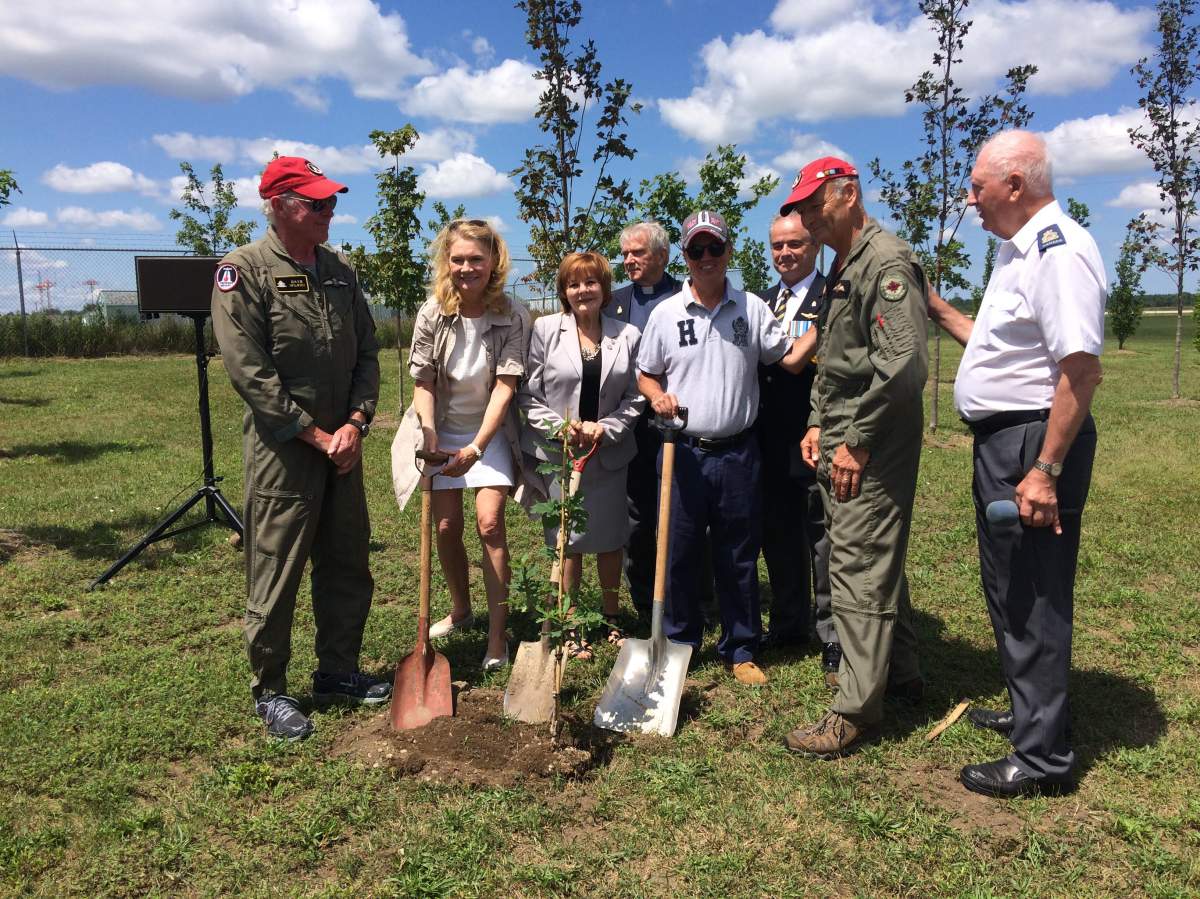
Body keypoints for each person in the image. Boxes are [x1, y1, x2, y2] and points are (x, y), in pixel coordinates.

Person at [927, 130, 1104, 798]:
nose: (969, 197)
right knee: (1009, 586)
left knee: (1034, 593)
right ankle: (1030, 711)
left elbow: (1080, 371)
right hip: (1007, 440)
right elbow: (1003, 348)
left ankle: (1042, 760)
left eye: (976, 185)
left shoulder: (1059, 252)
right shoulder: (1017, 253)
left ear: (1015, 184)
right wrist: (937, 306)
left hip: (1032, 444)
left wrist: (1046, 470)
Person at [211, 155, 386, 742]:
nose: (328, 210)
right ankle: (271, 691)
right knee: (277, 569)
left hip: (344, 447)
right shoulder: (244, 271)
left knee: (346, 562)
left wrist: (357, 423)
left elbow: (367, 353)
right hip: (285, 450)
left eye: (330, 201)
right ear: (279, 206)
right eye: (315, 202)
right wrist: (314, 434)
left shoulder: (340, 270)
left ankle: (338, 670)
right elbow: (250, 371)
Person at [778, 157, 928, 757]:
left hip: (872, 435)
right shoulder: (845, 263)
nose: (808, 218)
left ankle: (854, 709)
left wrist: (856, 441)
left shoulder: (886, 262)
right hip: (842, 426)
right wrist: (818, 423)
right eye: (802, 209)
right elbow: (836, 361)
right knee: (868, 549)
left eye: (816, 205)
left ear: (849, 195)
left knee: (856, 562)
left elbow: (901, 368)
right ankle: (904, 669)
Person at [637, 210, 816, 686]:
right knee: (677, 553)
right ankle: (678, 642)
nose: (706, 258)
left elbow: (791, 359)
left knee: (738, 553)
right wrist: (657, 397)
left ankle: (741, 647)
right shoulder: (665, 314)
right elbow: (647, 372)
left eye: (715, 248)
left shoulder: (752, 308)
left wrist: (833, 315)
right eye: (696, 249)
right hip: (683, 454)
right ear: (685, 256)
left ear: (728, 252)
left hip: (740, 454)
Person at [392, 219, 531, 671]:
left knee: (489, 523)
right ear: (445, 262)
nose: (466, 267)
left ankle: (497, 634)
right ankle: (461, 610)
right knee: (447, 528)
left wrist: (475, 447)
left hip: (488, 433)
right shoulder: (432, 312)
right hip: (441, 430)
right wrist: (430, 435)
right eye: (458, 259)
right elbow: (424, 381)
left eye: (476, 259)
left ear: (493, 262)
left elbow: (505, 387)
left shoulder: (512, 313)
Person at [518, 251, 645, 656]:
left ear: (604, 289)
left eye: (590, 282)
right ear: (564, 291)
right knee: (566, 541)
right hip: (560, 454)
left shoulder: (627, 335)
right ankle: (570, 625)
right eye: (573, 284)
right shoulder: (545, 331)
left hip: (607, 454)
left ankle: (610, 618)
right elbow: (529, 394)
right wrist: (562, 427)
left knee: (609, 541)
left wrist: (605, 428)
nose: (582, 290)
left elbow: (635, 397)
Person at [756, 213, 837, 682]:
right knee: (779, 533)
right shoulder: (761, 302)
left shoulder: (834, 298)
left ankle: (831, 635)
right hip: (768, 437)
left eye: (795, 244)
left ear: (814, 246)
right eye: (777, 246)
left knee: (821, 537)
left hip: (814, 434)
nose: (785, 253)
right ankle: (789, 623)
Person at [609, 221, 683, 622]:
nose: (629, 260)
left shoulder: (684, 295)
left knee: (681, 517)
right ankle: (642, 599)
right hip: (629, 428)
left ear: (662, 255)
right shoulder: (613, 301)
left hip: (675, 426)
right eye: (625, 254)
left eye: (638, 253)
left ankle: (688, 597)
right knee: (635, 517)